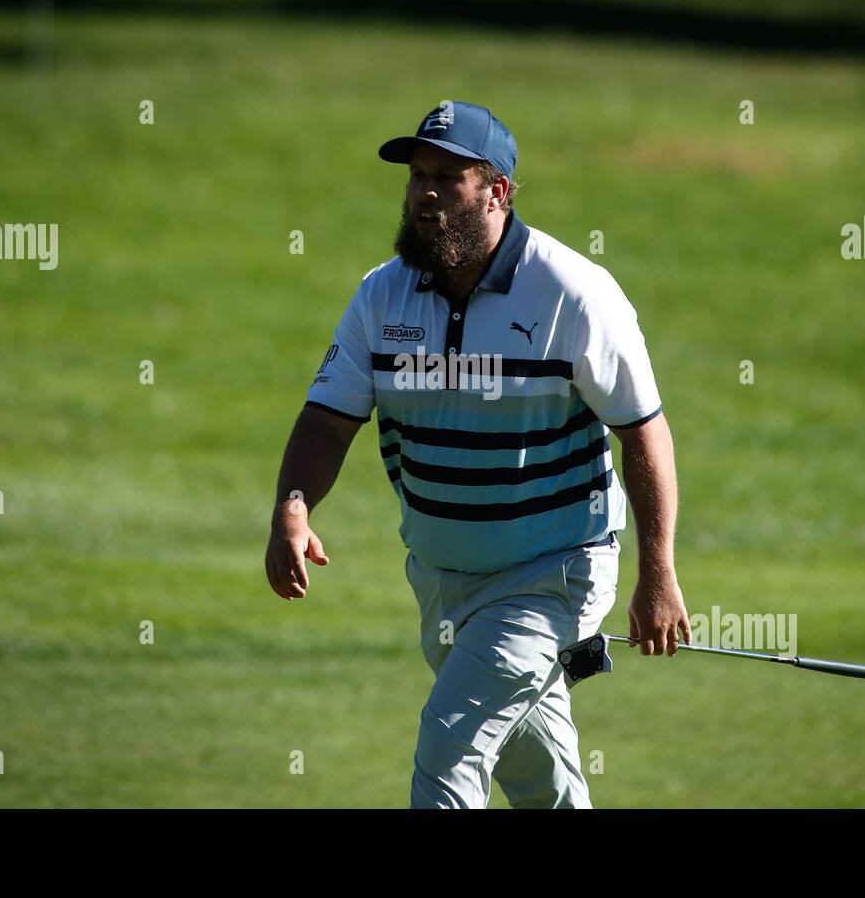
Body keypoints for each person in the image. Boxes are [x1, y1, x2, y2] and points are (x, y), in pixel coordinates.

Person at [264, 100, 691, 808]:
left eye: (447, 177)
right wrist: (293, 506)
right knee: (538, 774)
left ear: (497, 192)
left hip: (552, 576)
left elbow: (643, 430)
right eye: (417, 176)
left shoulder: (573, 294)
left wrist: (659, 573)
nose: (425, 192)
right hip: (439, 579)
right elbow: (327, 420)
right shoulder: (383, 295)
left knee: (450, 740)